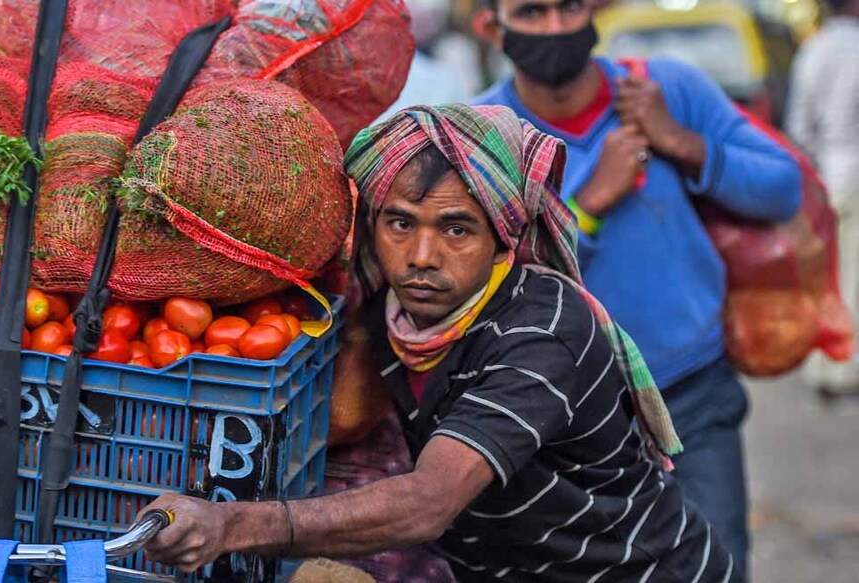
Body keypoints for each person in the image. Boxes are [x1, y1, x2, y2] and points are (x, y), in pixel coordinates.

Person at [137, 104, 738, 582]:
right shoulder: (386, 312)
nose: (422, 257)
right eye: (400, 223)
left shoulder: (543, 331)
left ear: (504, 237)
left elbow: (429, 501)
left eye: (457, 229)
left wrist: (229, 524)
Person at [470, 0, 802, 577]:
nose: (556, 27)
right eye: (532, 12)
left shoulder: (664, 89)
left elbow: (783, 187)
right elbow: (487, 281)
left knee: (717, 566)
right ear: (491, 28)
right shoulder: (482, 135)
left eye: (568, 8)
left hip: (692, 394)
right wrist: (588, 206)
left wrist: (680, 141)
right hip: (564, 420)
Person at [786, 0, 859, 402]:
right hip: (854, 172)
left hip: (827, 176)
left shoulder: (814, 49)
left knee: (829, 276)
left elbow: (800, 124)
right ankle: (844, 374)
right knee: (853, 280)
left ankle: (825, 369)